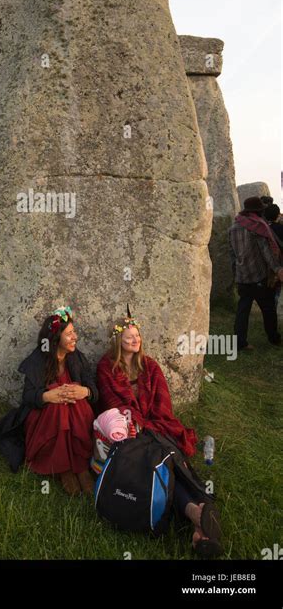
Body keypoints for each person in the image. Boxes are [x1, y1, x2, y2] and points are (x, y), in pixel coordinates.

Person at [96, 312, 222, 557]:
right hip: (130, 430)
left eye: (137, 335)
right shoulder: (106, 367)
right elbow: (111, 403)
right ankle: (199, 513)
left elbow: (163, 404)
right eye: (129, 337)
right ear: (118, 341)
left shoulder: (150, 365)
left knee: (166, 462)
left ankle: (200, 527)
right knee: (163, 463)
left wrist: (151, 425)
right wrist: (137, 423)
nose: (135, 340)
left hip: (156, 425)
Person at [0, 306, 98, 496]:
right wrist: (47, 396)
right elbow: (27, 397)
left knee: (77, 403)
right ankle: (63, 469)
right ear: (56, 338)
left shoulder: (77, 357)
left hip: (73, 414)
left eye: (74, 332)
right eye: (70, 334)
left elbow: (94, 389)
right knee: (58, 405)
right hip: (45, 416)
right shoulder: (39, 359)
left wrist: (84, 391)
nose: (75, 337)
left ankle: (80, 467)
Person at [229, 196, 283, 351]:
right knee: (268, 309)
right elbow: (266, 252)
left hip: (242, 276)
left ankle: (240, 342)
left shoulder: (233, 227)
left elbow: (232, 254)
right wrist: (278, 269)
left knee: (243, 310)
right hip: (259, 275)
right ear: (258, 212)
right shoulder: (257, 227)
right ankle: (274, 338)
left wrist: (236, 273)